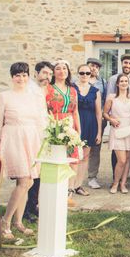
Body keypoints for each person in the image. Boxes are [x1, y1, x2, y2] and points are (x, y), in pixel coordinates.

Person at [0, 62, 47, 239]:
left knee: (29, 182)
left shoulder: (34, 97)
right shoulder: (4, 96)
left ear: (28, 77)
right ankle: (5, 221)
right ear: (12, 77)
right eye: (17, 75)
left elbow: (41, 122)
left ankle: (18, 222)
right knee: (24, 180)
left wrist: (43, 144)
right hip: (13, 139)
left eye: (24, 75)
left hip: (31, 140)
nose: (21, 78)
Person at [46, 60, 81, 205]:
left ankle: (69, 190)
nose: (62, 71)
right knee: (56, 157)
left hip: (70, 122)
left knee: (73, 157)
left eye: (64, 68)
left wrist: (78, 130)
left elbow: (76, 110)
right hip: (54, 123)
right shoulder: (49, 88)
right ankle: (55, 189)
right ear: (54, 72)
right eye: (58, 69)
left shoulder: (72, 90)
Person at [24, 60, 54, 220]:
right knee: (30, 174)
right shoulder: (29, 90)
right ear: (36, 73)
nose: (47, 77)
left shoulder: (44, 90)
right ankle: (25, 210)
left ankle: (33, 205)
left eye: (50, 74)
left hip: (42, 136)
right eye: (44, 73)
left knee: (38, 174)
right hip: (31, 136)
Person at [106, 55, 130, 187]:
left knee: (127, 159)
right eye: (125, 62)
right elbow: (107, 109)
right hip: (117, 125)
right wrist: (111, 119)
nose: (127, 65)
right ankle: (115, 182)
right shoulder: (112, 81)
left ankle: (124, 183)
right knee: (118, 158)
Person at [72, 64, 102, 197]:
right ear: (78, 73)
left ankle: (78, 185)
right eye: (82, 73)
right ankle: (69, 186)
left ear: (91, 75)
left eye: (87, 73)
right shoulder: (72, 88)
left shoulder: (95, 91)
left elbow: (98, 113)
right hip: (75, 124)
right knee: (73, 157)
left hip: (90, 124)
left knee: (84, 157)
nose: (84, 75)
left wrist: (99, 132)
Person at [86, 57, 107, 190]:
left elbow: (105, 100)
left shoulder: (102, 83)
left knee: (95, 148)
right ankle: (73, 177)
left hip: (97, 118)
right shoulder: (77, 81)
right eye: (92, 65)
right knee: (78, 148)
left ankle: (92, 177)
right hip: (82, 117)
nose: (94, 68)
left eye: (97, 67)